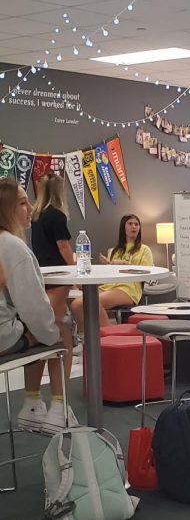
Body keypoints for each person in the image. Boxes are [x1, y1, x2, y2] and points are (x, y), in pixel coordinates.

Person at [0, 179, 75, 433]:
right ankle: (59, 410)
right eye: (22, 203)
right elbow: (34, 310)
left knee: (38, 330)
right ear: (6, 210)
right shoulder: (13, 247)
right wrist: (50, 333)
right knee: (60, 331)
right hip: (2, 338)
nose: (30, 208)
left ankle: (32, 404)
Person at [70, 214, 153, 330]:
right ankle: (88, 339)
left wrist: (125, 264)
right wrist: (108, 265)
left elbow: (147, 273)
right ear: (123, 227)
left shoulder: (145, 250)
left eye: (136, 224)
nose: (134, 227)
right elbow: (110, 274)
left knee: (88, 303)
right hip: (109, 286)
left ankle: (110, 334)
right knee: (75, 305)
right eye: (130, 224)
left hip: (128, 288)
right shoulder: (115, 251)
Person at [30, 173, 75, 378]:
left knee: (49, 320)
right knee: (55, 324)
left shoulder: (36, 216)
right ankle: (59, 379)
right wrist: (74, 269)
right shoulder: (56, 215)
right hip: (59, 273)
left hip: (42, 272)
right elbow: (63, 245)